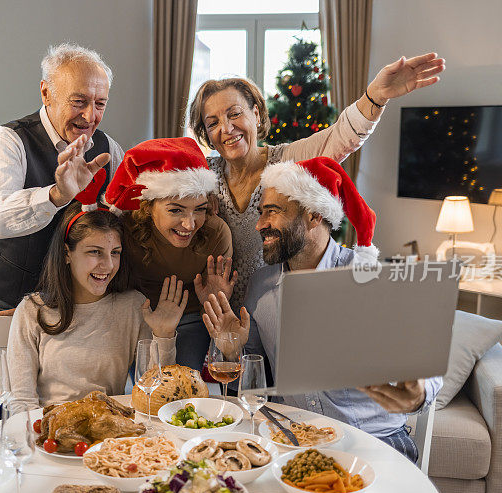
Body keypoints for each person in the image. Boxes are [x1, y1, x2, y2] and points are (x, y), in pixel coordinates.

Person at [201, 157, 441, 462]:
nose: (260, 224)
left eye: (272, 212)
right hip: (294, 439)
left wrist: (417, 392)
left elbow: (428, 366)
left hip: (374, 442)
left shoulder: (369, 277)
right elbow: (254, 382)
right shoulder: (262, 285)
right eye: (261, 213)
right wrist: (231, 351)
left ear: (314, 215)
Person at [188, 53, 446, 308]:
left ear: (256, 114)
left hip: (274, 311)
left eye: (234, 114)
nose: (226, 128)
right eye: (213, 123)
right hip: (215, 311)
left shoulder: (287, 161)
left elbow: (340, 137)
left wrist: (375, 97)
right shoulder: (203, 175)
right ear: (208, 135)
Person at [0, 43, 124, 352]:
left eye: (100, 103)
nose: (90, 115)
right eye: (79, 101)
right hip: (13, 294)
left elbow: (121, 220)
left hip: (77, 300)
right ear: (46, 93)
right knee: (12, 391)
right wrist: (57, 195)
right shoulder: (9, 140)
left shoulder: (109, 149)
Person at [5, 200, 185, 410]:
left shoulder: (133, 306)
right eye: (95, 252)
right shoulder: (31, 310)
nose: (108, 265)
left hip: (108, 430)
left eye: (115, 252)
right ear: (66, 254)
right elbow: (21, 402)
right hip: (50, 430)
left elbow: (154, 393)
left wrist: (163, 335)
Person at [102, 137, 237, 371]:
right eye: (176, 210)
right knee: (149, 386)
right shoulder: (124, 229)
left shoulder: (215, 233)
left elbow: (222, 328)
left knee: (181, 385)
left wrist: (216, 302)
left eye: (200, 210)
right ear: (148, 206)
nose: (189, 224)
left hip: (191, 317)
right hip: (139, 316)